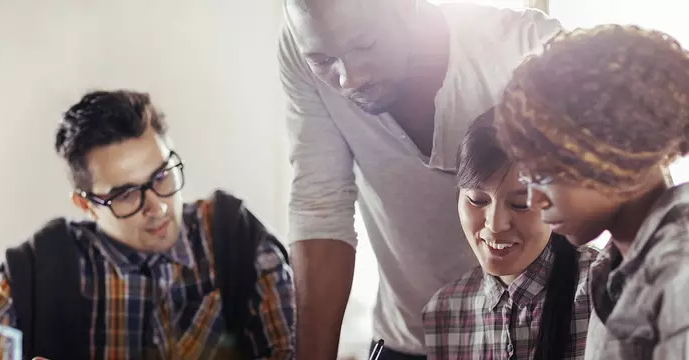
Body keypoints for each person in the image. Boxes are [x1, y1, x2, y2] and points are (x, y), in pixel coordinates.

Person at [278, 0, 564, 357]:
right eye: (323, 61)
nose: (350, 78)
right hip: (406, 339)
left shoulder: (527, 48)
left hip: (535, 340)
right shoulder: (304, 42)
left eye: (365, 45)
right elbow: (320, 206)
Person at [0, 90, 295, 359]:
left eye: (162, 176)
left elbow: (291, 350)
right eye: (126, 195)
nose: (157, 207)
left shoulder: (236, 238)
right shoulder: (34, 272)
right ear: (87, 206)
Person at [494, 25, 689, 359]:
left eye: (544, 174)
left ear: (617, 149)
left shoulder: (679, 273)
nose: (534, 200)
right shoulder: (616, 265)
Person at [422, 109, 597, 360]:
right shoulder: (444, 312)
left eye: (520, 204)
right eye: (477, 200)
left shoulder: (606, 291)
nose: (495, 224)